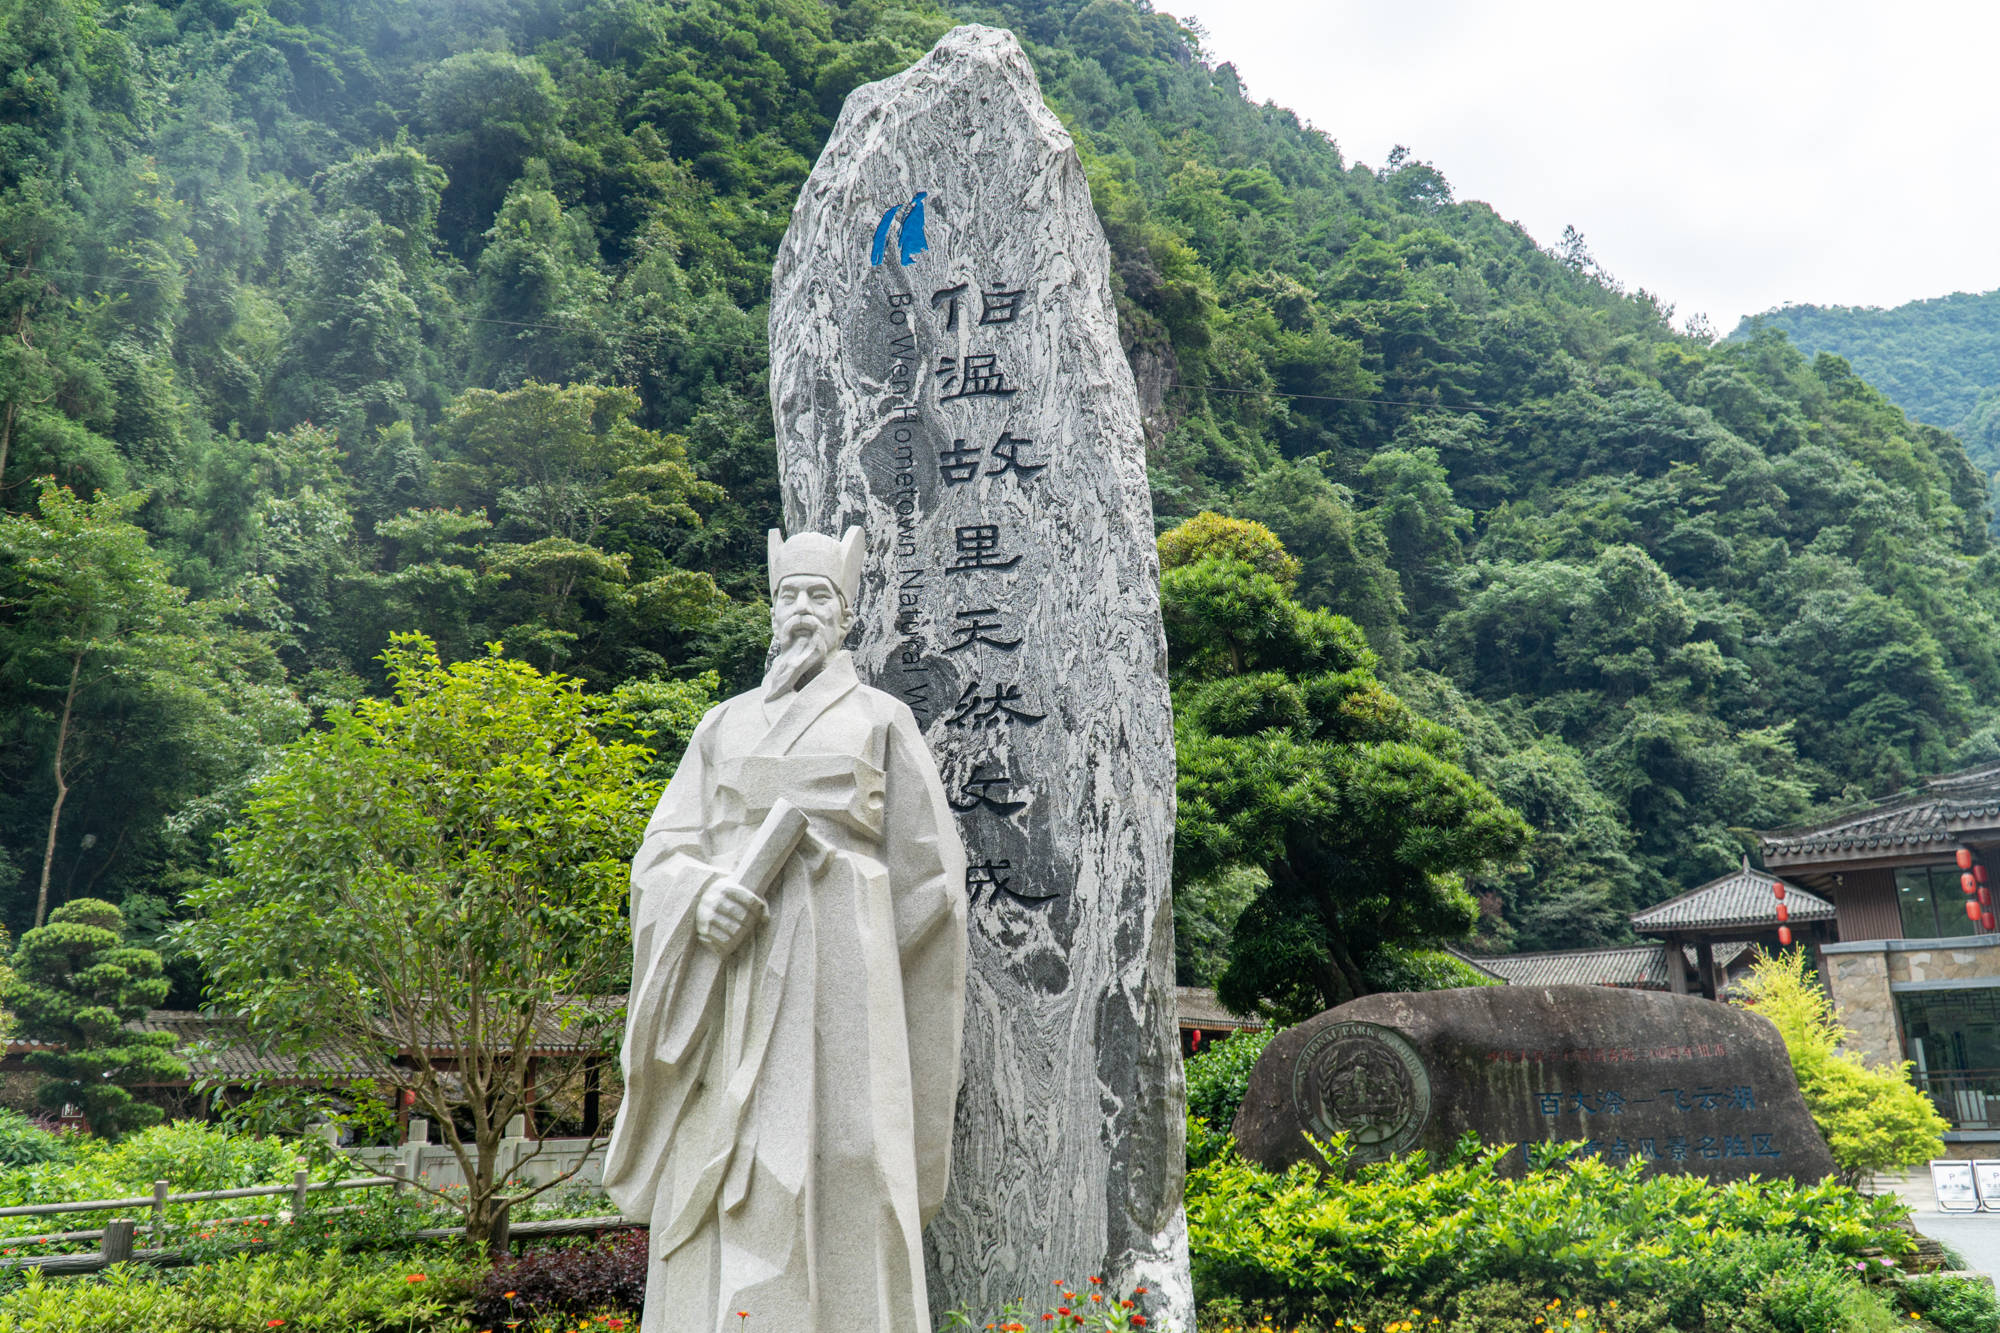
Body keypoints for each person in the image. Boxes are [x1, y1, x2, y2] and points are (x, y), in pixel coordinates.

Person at [603, 526, 969, 1333]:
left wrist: (849, 929)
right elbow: (661, 853)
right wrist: (700, 900)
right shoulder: (720, 727)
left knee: (849, 1160)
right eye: (788, 596)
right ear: (770, 608)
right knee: (729, 1162)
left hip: (848, 997)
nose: (801, 612)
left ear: (847, 613)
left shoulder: (881, 719)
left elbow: (931, 879)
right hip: (729, 992)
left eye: (819, 596)